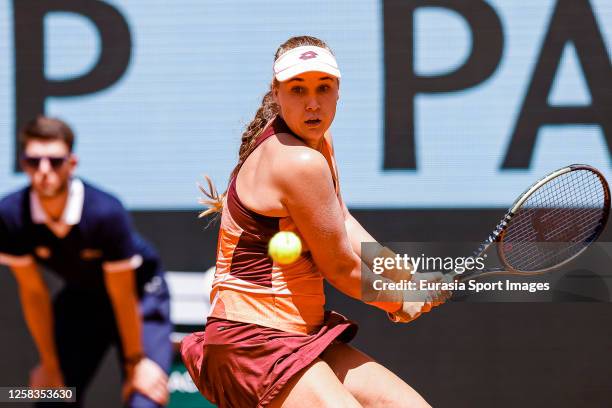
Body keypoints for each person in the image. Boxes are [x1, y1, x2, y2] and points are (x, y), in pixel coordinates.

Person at [181, 36, 448, 407]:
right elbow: (339, 267)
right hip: (253, 344)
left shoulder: (318, 143)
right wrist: (400, 301)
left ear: (339, 92)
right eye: (297, 89)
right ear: (276, 92)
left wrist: (406, 276)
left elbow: (342, 222)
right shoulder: (297, 162)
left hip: (300, 334)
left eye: (323, 88)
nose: (312, 103)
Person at [0, 116, 172, 407]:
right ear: (23, 163)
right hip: (83, 296)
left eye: (54, 161)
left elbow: (121, 292)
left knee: (144, 399)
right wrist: (50, 365)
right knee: (51, 397)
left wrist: (135, 363)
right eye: (33, 160)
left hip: (139, 295)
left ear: (72, 163)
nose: (43, 170)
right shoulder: (10, 215)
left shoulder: (105, 213)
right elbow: (33, 292)